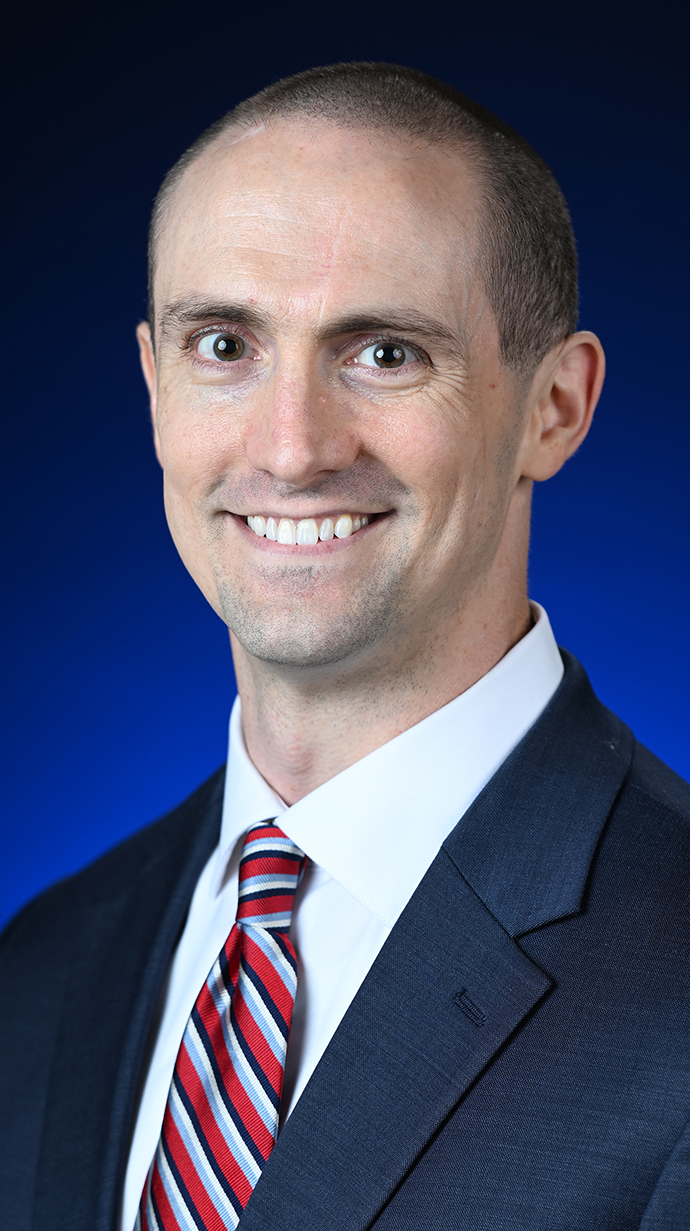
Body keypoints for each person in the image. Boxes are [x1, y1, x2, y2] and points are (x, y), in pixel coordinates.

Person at [1, 61, 689, 1231]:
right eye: (224, 345)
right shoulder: (43, 967)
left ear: (554, 408)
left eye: (383, 353)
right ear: (152, 383)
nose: (291, 447)